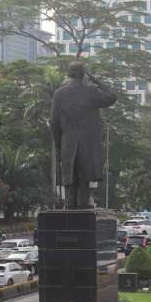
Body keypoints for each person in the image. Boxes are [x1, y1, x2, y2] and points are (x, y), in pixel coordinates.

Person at [51, 61, 117, 209]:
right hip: (87, 144)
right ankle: (83, 208)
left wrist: (58, 144)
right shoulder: (91, 91)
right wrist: (95, 80)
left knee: (70, 180)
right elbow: (112, 97)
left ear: (69, 74)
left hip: (67, 143)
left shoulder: (59, 94)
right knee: (84, 180)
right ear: (83, 74)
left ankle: (69, 209)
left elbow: (54, 123)